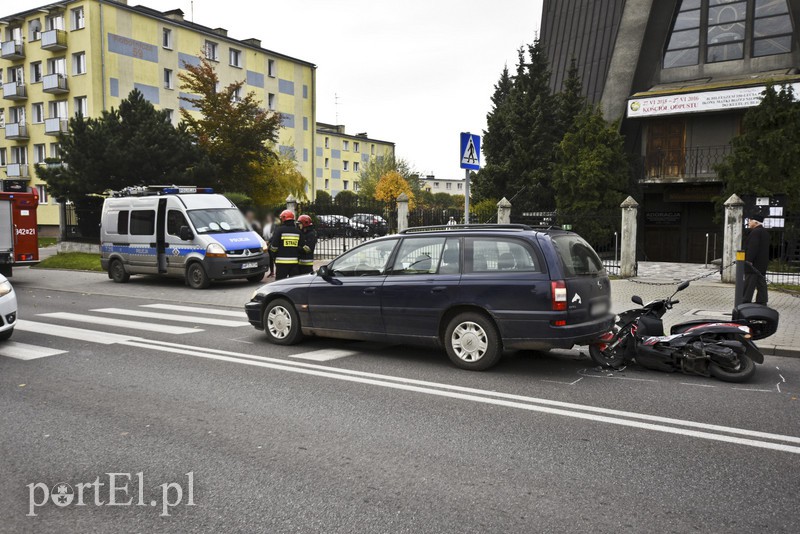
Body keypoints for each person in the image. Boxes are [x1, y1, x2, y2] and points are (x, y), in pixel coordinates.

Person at [743, 213, 770, 305]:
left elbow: (753, 247)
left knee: (749, 282)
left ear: (755, 222)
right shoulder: (764, 232)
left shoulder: (755, 232)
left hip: (754, 263)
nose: (749, 223)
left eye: (750, 221)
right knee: (761, 282)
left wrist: (749, 260)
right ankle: (762, 300)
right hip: (762, 262)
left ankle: (745, 299)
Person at [269, 210, 303, 280]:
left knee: (280, 283)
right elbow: (302, 247)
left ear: (283, 219)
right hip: (294, 263)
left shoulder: (279, 230)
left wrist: (273, 255)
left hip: (281, 263)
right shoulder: (298, 232)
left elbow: (274, 247)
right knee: (293, 284)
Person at [262, 213, 276, 278]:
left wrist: (269, 242)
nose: (268, 219)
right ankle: (272, 272)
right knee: (270, 259)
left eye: (269, 217)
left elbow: (274, 235)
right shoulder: (265, 226)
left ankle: (277, 271)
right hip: (266, 243)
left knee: (274, 258)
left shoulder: (274, 225)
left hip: (272, 243)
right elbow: (263, 235)